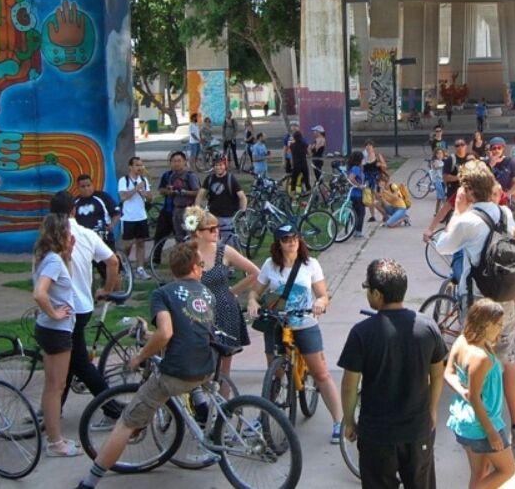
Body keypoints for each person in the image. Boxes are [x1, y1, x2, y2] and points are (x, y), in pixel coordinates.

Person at [75, 241, 219, 489]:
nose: (203, 269)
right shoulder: (207, 294)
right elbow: (185, 331)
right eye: (202, 265)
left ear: (173, 268)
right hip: (207, 368)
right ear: (195, 268)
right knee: (187, 387)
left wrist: (139, 357)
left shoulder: (163, 294)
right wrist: (150, 336)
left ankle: (89, 482)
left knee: (126, 422)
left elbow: (165, 333)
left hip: (177, 372)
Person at [429, 161, 515, 452]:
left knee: (476, 362)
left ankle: (482, 427)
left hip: (477, 301)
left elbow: (442, 246)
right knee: (507, 361)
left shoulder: (467, 220)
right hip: (505, 299)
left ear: (469, 190)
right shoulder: (503, 213)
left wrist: (457, 212)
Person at [339, 259, 447, 489]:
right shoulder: (428, 327)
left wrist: (349, 421)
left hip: (377, 435)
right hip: (417, 430)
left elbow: (349, 385)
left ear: (377, 294)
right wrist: (432, 410)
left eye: (367, 288)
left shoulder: (361, 333)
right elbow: (438, 374)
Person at [252, 223, 345, 441]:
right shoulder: (270, 265)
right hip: (276, 323)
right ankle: (264, 415)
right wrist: (252, 302)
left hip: (304, 322)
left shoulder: (310, 264)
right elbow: (254, 293)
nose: (291, 242)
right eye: (286, 239)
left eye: (295, 238)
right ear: (278, 243)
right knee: (274, 374)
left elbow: (322, 295)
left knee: (320, 373)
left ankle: (339, 421)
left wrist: (320, 302)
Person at [52, 193, 119, 406]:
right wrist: (106, 289)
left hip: (63, 308)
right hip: (83, 304)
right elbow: (113, 262)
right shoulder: (87, 234)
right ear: (73, 210)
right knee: (69, 359)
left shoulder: (51, 237)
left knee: (79, 362)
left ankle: (111, 406)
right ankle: (54, 407)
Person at [185, 206, 260, 390]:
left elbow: (254, 272)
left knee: (224, 368)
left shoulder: (224, 251)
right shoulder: (187, 253)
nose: (217, 231)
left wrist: (233, 291)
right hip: (197, 311)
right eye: (211, 229)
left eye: (217, 227)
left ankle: (224, 403)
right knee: (199, 363)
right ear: (198, 233)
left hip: (224, 309)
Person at [444, 298, 515, 489]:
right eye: (498, 324)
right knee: (507, 470)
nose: (501, 328)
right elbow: (475, 398)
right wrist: (492, 432)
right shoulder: (480, 357)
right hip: (483, 424)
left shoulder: (462, 340)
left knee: (479, 472)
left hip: (465, 421)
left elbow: (448, 373)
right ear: (485, 325)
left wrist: (463, 391)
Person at [31, 213, 82, 458]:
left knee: (53, 385)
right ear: (60, 234)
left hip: (52, 329)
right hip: (56, 330)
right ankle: (55, 442)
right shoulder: (52, 261)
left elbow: (64, 282)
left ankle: (54, 436)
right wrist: (54, 313)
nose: (71, 236)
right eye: (68, 232)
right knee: (55, 387)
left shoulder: (49, 258)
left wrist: (68, 255)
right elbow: (39, 293)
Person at [117, 156, 154, 281]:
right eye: (137, 165)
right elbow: (123, 197)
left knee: (141, 242)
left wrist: (145, 193)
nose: (140, 167)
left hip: (141, 216)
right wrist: (136, 189)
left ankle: (140, 268)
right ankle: (124, 266)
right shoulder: (124, 180)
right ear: (130, 167)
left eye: (141, 165)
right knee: (128, 244)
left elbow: (150, 197)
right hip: (128, 217)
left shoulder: (143, 180)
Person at [195, 154, 248, 235]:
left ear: (225, 165)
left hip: (228, 217)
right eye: (216, 165)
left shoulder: (231, 179)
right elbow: (200, 195)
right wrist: (197, 210)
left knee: (227, 240)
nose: (218, 167)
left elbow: (242, 197)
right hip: (212, 216)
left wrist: (242, 213)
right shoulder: (209, 178)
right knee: (212, 240)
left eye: (221, 165)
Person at [154, 151, 199, 246]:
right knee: (179, 237)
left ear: (184, 162)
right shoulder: (171, 176)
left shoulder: (190, 176)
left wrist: (183, 192)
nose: (176, 163)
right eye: (174, 161)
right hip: (176, 210)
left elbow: (198, 192)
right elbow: (163, 190)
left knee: (190, 237)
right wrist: (169, 191)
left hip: (188, 210)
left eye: (179, 161)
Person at [73, 175, 119, 251]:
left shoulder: (102, 197)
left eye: (88, 185)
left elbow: (116, 212)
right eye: (83, 186)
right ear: (78, 188)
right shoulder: (75, 202)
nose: (86, 188)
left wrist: (112, 225)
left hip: (104, 239)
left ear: (92, 185)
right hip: (84, 241)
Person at [487, 137, 515, 208]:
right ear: (490, 150)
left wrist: (508, 194)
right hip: (491, 198)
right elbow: (482, 179)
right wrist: (491, 165)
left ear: (503, 149)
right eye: (494, 148)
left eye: (499, 148)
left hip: (506, 196)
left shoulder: (510, 162)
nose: (497, 150)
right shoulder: (486, 163)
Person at [348, 151, 370, 233]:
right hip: (357, 194)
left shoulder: (354, 168)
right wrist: (359, 185)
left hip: (354, 194)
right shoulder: (356, 168)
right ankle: (358, 231)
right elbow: (351, 178)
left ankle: (354, 229)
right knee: (361, 213)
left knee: (355, 213)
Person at [288, 125, 311, 192]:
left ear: (294, 138)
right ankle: (308, 190)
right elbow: (309, 153)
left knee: (294, 178)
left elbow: (291, 154)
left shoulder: (292, 146)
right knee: (306, 178)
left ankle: (293, 190)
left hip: (296, 163)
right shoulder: (304, 144)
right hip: (303, 163)